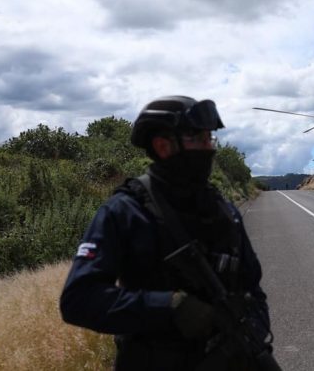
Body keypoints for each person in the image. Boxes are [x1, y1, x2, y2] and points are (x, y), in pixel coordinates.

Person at [60, 96, 273, 370]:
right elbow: (78, 300)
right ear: (163, 146)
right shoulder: (124, 212)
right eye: (200, 139)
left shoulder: (224, 211)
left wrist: (251, 331)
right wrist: (167, 306)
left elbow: (253, 287)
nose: (209, 148)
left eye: (211, 139)